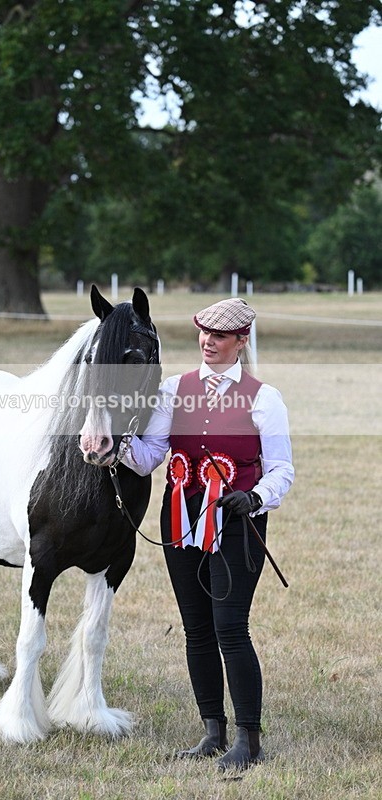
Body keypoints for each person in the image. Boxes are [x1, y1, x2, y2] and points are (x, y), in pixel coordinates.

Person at [121, 297, 294, 771]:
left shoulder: (264, 398)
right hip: (180, 518)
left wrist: (254, 498)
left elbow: (281, 470)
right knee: (196, 629)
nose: (208, 342)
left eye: (220, 336)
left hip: (237, 522)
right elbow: (150, 455)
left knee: (230, 628)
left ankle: (249, 740)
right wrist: (115, 445)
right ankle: (212, 731)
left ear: (241, 341)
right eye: (204, 333)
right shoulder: (175, 389)